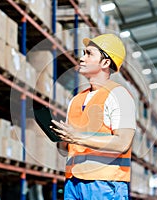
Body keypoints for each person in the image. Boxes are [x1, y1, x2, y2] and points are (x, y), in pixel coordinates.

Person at [51, 33, 136, 199]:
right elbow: (67, 148)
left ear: (105, 62)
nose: (82, 59)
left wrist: (77, 137)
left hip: (105, 184)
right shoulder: (76, 100)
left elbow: (123, 142)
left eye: (89, 54)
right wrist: (63, 139)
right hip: (73, 183)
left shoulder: (120, 96)